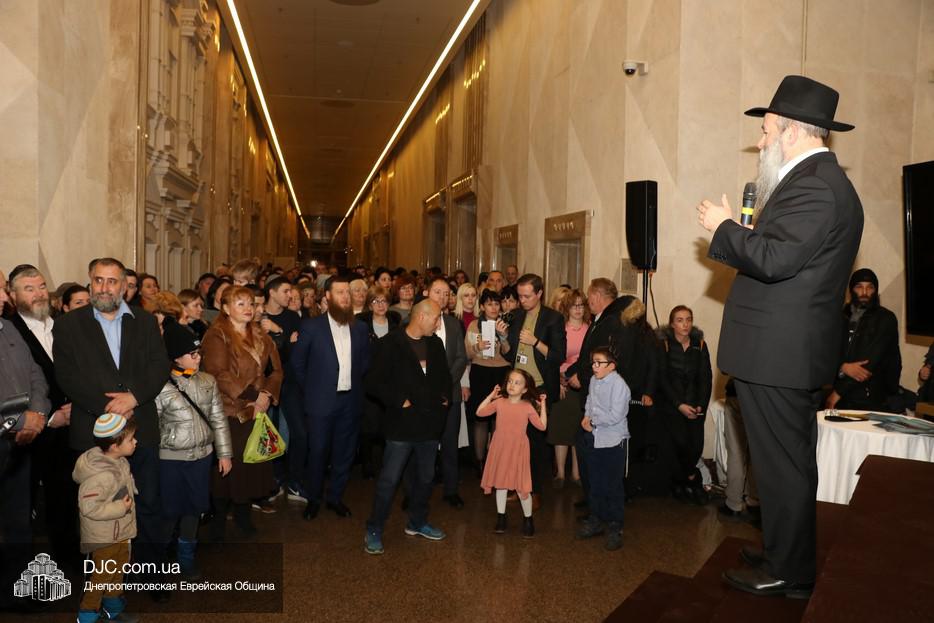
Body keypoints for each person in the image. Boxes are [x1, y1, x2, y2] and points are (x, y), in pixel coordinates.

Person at [697, 75, 863, 598]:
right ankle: (784, 552)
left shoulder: (816, 186)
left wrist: (724, 227)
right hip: (779, 354)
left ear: (792, 131)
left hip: (780, 355)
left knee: (783, 468)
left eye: (767, 131)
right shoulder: (811, 181)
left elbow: (773, 260)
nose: (761, 141)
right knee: (782, 463)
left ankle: (789, 571)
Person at [53, 257, 170, 600]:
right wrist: (108, 406)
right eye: (98, 280)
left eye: (112, 281)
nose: (104, 288)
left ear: (124, 287)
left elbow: (159, 366)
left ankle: (150, 576)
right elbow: (66, 375)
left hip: (140, 428)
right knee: (98, 509)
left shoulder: (144, 321)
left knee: (148, 503)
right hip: (93, 432)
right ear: (90, 282)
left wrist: (133, 397)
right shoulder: (69, 324)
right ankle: (103, 584)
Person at [364, 300, 452, 554]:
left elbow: (444, 377)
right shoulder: (390, 343)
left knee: (426, 478)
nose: (438, 324)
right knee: (389, 480)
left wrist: (445, 399)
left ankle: (417, 522)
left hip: (429, 424)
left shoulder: (435, 344)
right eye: (436, 318)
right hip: (401, 426)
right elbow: (373, 382)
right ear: (422, 316)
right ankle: (374, 528)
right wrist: (398, 400)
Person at [7, 266, 78, 565]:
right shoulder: (10, 330)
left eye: (41, 286)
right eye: (29, 288)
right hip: (28, 432)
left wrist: (77, 407)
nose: (38, 294)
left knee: (65, 498)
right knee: (22, 507)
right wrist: (48, 418)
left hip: (70, 427)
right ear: (13, 295)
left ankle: (68, 560)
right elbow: (14, 386)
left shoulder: (62, 326)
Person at [200, 286, 283, 539]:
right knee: (227, 470)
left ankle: (243, 516)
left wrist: (266, 394)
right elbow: (217, 373)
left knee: (249, 468)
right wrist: (253, 396)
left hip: (255, 410)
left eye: (250, 304)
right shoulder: (217, 335)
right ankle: (218, 522)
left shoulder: (260, 334)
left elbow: (276, 370)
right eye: (240, 304)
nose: (248, 309)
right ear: (226, 308)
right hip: (228, 411)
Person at [155, 321, 232, 579]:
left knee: (193, 510)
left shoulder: (207, 381)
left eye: (199, 353)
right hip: (171, 460)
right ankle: (158, 562)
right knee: (169, 512)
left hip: (201, 458)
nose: (198, 358)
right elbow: (152, 427)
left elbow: (218, 419)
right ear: (176, 357)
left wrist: (224, 453)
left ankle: (186, 558)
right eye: (192, 354)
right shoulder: (160, 387)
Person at [291, 275, 369, 520]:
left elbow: (364, 364)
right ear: (327, 296)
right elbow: (298, 363)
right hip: (320, 402)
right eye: (340, 292)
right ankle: (313, 498)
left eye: (348, 292)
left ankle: (335, 497)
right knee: (318, 452)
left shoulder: (360, 328)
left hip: (350, 402)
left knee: (344, 453)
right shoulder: (312, 327)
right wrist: (313, 390)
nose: (346, 297)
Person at [0, 269, 50, 613]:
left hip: (17, 446)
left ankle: (16, 591)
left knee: (18, 522)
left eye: (4, 289)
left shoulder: (9, 328)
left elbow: (36, 375)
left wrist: (38, 414)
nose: (5, 297)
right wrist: (20, 421)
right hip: (11, 433)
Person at [501, 273, 566, 506]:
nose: (522, 300)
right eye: (520, 296)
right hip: (516, 388)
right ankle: (516, 486)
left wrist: (535, 342)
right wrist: (503, 338)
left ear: (539, 293)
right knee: (514, 441)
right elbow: (509, 354)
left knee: (536, 443)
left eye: (527, 296)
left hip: (539, 388)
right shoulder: (517, 315)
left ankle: (534, 491)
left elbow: (558, 356)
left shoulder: (553, 318)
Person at [72, 413, 138, 623]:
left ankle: (113, 610)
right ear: (114, 445)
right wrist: (120, 507)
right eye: (131, 439)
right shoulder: (100, 475)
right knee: (101, 577)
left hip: (120, 532)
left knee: (117, 572)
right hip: (104, 537)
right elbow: (89, 507)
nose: (135, 442)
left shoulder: (119, 461)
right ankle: (87, 616)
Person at [475, 369, 548, 537]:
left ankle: (528, 519)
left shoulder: (527, 406)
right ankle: (501, 517)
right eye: (510, 381)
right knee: (500, 484)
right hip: (500, 448)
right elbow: (479, 412)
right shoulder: (500, 402)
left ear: (525, 389)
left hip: (518, 450)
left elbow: (542, 426)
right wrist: (491, 396)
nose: (512, 385)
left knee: (522, 487)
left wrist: (542, 406)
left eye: (517, 382)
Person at [576, 347, 630, 551]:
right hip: (595, 438)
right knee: (595, 482)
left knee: (613, 485)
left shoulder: (619, 385)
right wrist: (586, 416)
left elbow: (616, 415)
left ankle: (616, 525)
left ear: (611, 366)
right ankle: (596, 519)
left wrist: (594, 421)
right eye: (593, 362)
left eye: (599, 363)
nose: (594, 366)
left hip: (613, 441)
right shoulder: (593, 380)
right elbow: (590, 401)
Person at [657, 305, 712, 505]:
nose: (685, 324)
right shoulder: (664, 345)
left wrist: (700, 405)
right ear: (672, 324)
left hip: (695, 406)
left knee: (696, 447)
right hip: (673, 406)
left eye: (688, 319)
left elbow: (706, 378)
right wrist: (679, 404)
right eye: (680, 320)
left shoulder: (700, 345)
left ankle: (685, 479)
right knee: (679, 444)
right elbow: (662, 379)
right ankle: (688, 481)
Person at [422, 277, 468, 509]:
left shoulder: (453, 323)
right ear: (426, 293)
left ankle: (451, 490)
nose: (442, 297)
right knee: (424, 444)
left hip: (451, 393)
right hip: (423, 394)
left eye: (446, 293)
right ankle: (418, 491)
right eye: (437, 292)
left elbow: (461, 357)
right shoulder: (416, 321)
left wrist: (445, 383)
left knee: (450, 444)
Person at [825, 268, 900, 411]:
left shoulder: (885, 319)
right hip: (841, 397)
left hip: (871, 398)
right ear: (851, 290)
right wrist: (842, 367)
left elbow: (868, 363)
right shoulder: (840, 317)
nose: (864, 292)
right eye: (859, 287)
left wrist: (837, 393)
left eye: (870, 287)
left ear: (875, 291)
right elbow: (826, 352)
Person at [262, 277, 304, 499]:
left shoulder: (292, 318)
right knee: (267, 433)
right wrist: (288, 340)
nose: (290, 295)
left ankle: (294, 480)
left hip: (289, 382)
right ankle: (272, 479)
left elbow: (294, 353)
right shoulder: (258, 316)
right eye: (286, 291)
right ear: (272, 292)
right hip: (264, 383)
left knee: (299, 432)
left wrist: (279, 332)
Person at [464, 290, 511, 475]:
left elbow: (510, 352)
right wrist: (478, 346)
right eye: (489, 304)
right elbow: (466, 353)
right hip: (481, 373)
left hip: (502, 372)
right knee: (481, 418)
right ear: (482, 306)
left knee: (500, 419)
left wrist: (503, 336)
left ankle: (496, 460)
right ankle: (480, 461)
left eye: (496, 304)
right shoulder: (474, 325)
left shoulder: (505, 323)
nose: (493, 308)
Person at [356, 285, 402, 479]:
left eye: (384, 301)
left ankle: (384, 462)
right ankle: (366, 462)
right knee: (368, 425)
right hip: (368, 379)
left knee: (386, 424)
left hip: (390, 380)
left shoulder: (396, 324)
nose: (380, 305)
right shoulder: (362, 325)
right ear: (369, 304)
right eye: (376, 301)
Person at [548, 288, 589, 487]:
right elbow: (552, 358)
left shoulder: (589, 329)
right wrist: (557, 381)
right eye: (574, 306)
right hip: (562, 383)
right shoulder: (560, 329)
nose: (578, 309)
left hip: (581, 383)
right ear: (567, 308)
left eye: (581, 305)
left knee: (578, 429)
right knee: (561, 429)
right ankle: (561, 473)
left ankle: (577, 473)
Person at [718, 378, 760, 524]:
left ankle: (734, 503)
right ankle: (754, 500)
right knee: (756, 452)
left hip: (738, 393)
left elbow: (724, 369)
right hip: (762, 397)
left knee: (736, 451)